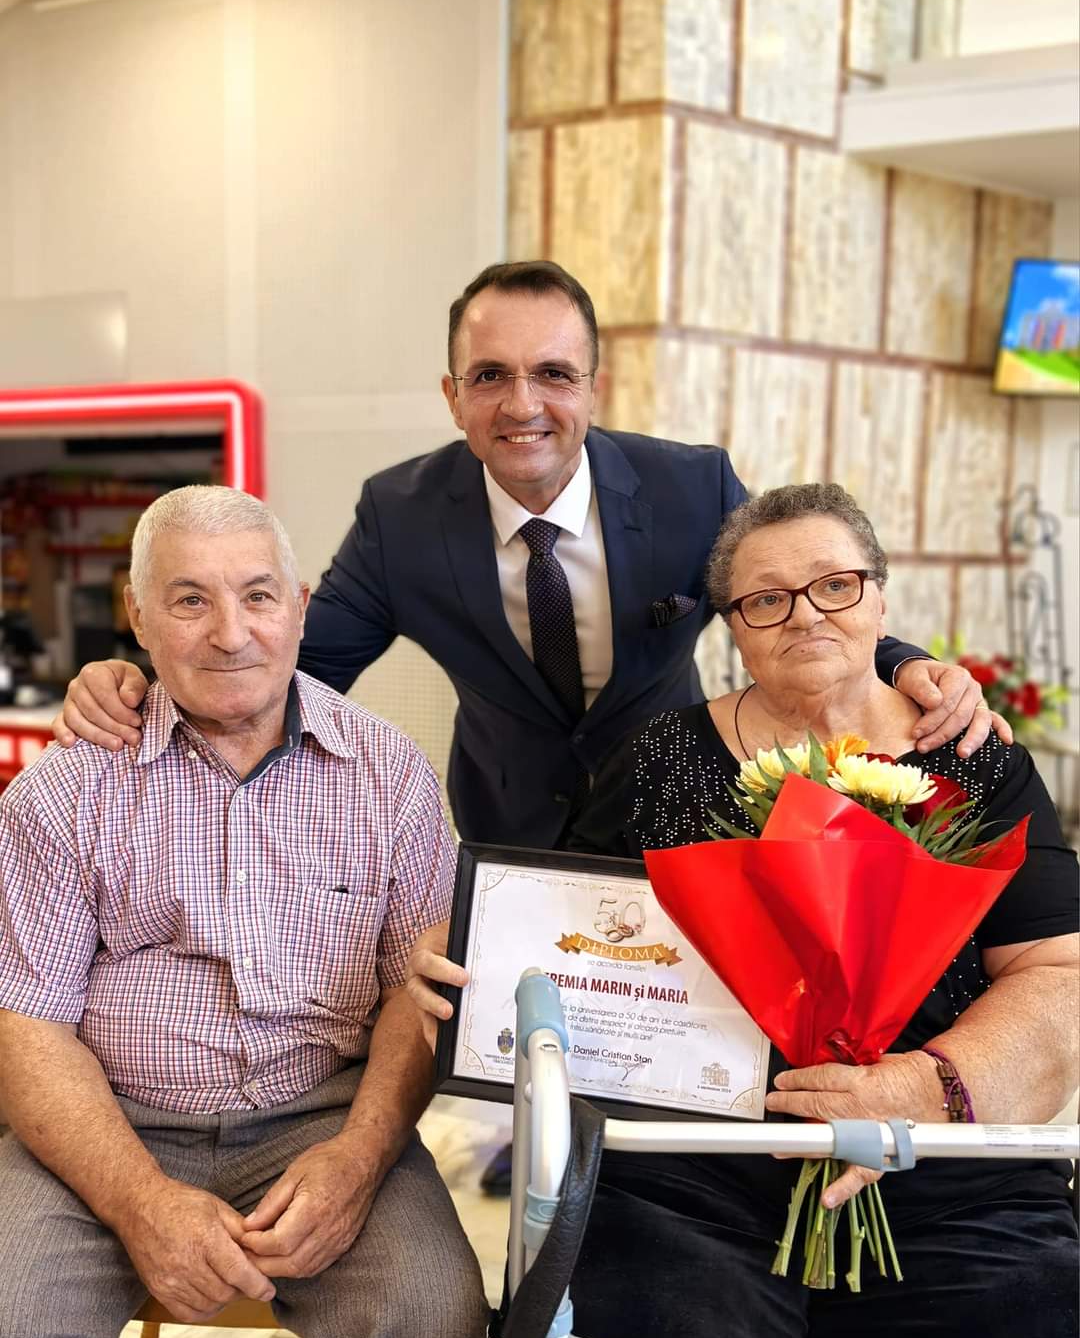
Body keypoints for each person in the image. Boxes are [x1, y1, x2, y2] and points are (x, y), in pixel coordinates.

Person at [53, 261, 1002, 1195]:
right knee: (540, 1069)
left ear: (594, 385)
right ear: (452, 396)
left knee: (670, 1057)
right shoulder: (399, 515)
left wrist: (902, 665)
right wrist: (142, 681)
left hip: (674, 822)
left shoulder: (691, 486)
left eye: (553, 373)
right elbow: (285, 658)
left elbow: (793, 588)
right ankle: (557, 1171)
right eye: (490, 376)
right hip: (510, 822)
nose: (524, 404)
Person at [553, 483, 1077, 1338]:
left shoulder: (974, 759)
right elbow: (569, 936)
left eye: (835, 584)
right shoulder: (659, 760)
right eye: (766, 600)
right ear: (733, 629)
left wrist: (922, 1090)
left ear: (879, 597)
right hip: (694, 1181)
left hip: (944, 1173)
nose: (804, 615)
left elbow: (1057, 974)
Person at [0, 486, 487, 1338]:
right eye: (189, 600)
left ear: (299, 607)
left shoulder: (389, 775)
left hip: (323, 1119)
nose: (231, 633)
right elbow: (27, 1022)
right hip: (108, 1123)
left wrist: (358, 1161)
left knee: (433, 1317)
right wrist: (140, 1201)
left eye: (258, 596)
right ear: (138, 617)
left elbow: (418, 993)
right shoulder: (66, 790)